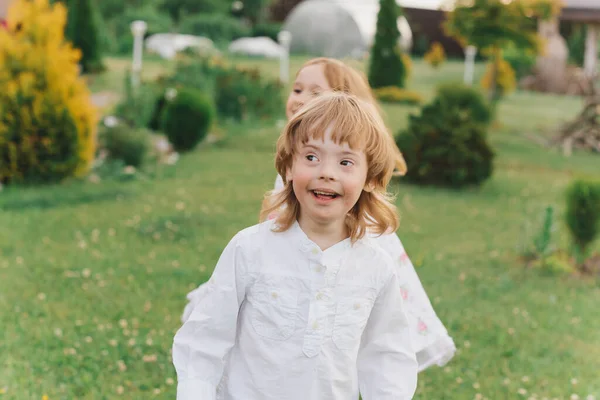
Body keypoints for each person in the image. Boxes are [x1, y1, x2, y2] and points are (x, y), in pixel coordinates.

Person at [182, 57, 455, 371]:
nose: (300, 99)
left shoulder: (350, 198)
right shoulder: (297, 164)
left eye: (315, 93)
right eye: (297, 89)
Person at [173, 92, 418, 400]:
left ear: (369, 177)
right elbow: (202, 343)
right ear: (288, 168)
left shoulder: (376, 267)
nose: (326, 172)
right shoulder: (250, 249)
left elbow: (387, 359)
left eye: (345, 162)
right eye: (312, 157)